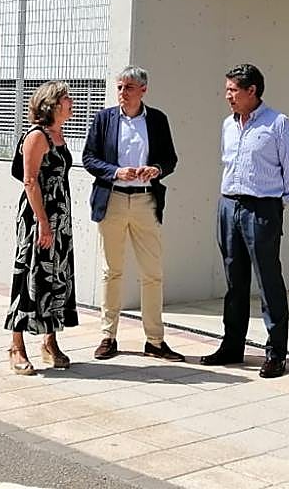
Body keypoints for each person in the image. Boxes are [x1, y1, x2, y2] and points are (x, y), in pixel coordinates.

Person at [200, 63, 289, 379]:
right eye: (227, 89)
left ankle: (276, 354)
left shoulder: (278, 124)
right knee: (235, 280)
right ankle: (232, 346)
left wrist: (278, 205)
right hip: (229, 207)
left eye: (233, 90)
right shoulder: (227, 125)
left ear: (252, 91)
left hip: (262, 209)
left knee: (269, 280)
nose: (227, 95)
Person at [83, 66, 184, 362]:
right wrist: (115, 172)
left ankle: (155, 340)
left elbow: (170, 159)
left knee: (152, 274)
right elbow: (89, 158)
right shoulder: (104, 119)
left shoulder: (157, 120)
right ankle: (107, 336)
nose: (122, 93)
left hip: (145, 202)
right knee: (111, 271)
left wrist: (157, 170)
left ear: (143, 90)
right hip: (112, 200)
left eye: (128, 87)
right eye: (119, 87)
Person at [4, 81, 78, 374]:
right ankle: (16, 346)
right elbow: (30, 181)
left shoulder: (58, 134)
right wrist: (44, 224)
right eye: (67, 98)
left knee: (57, 276)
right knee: (30, 274)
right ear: (53, 104)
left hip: (60, 219)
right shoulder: (36, 136)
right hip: (39, 218)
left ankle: (50, 342)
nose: (72, 102)